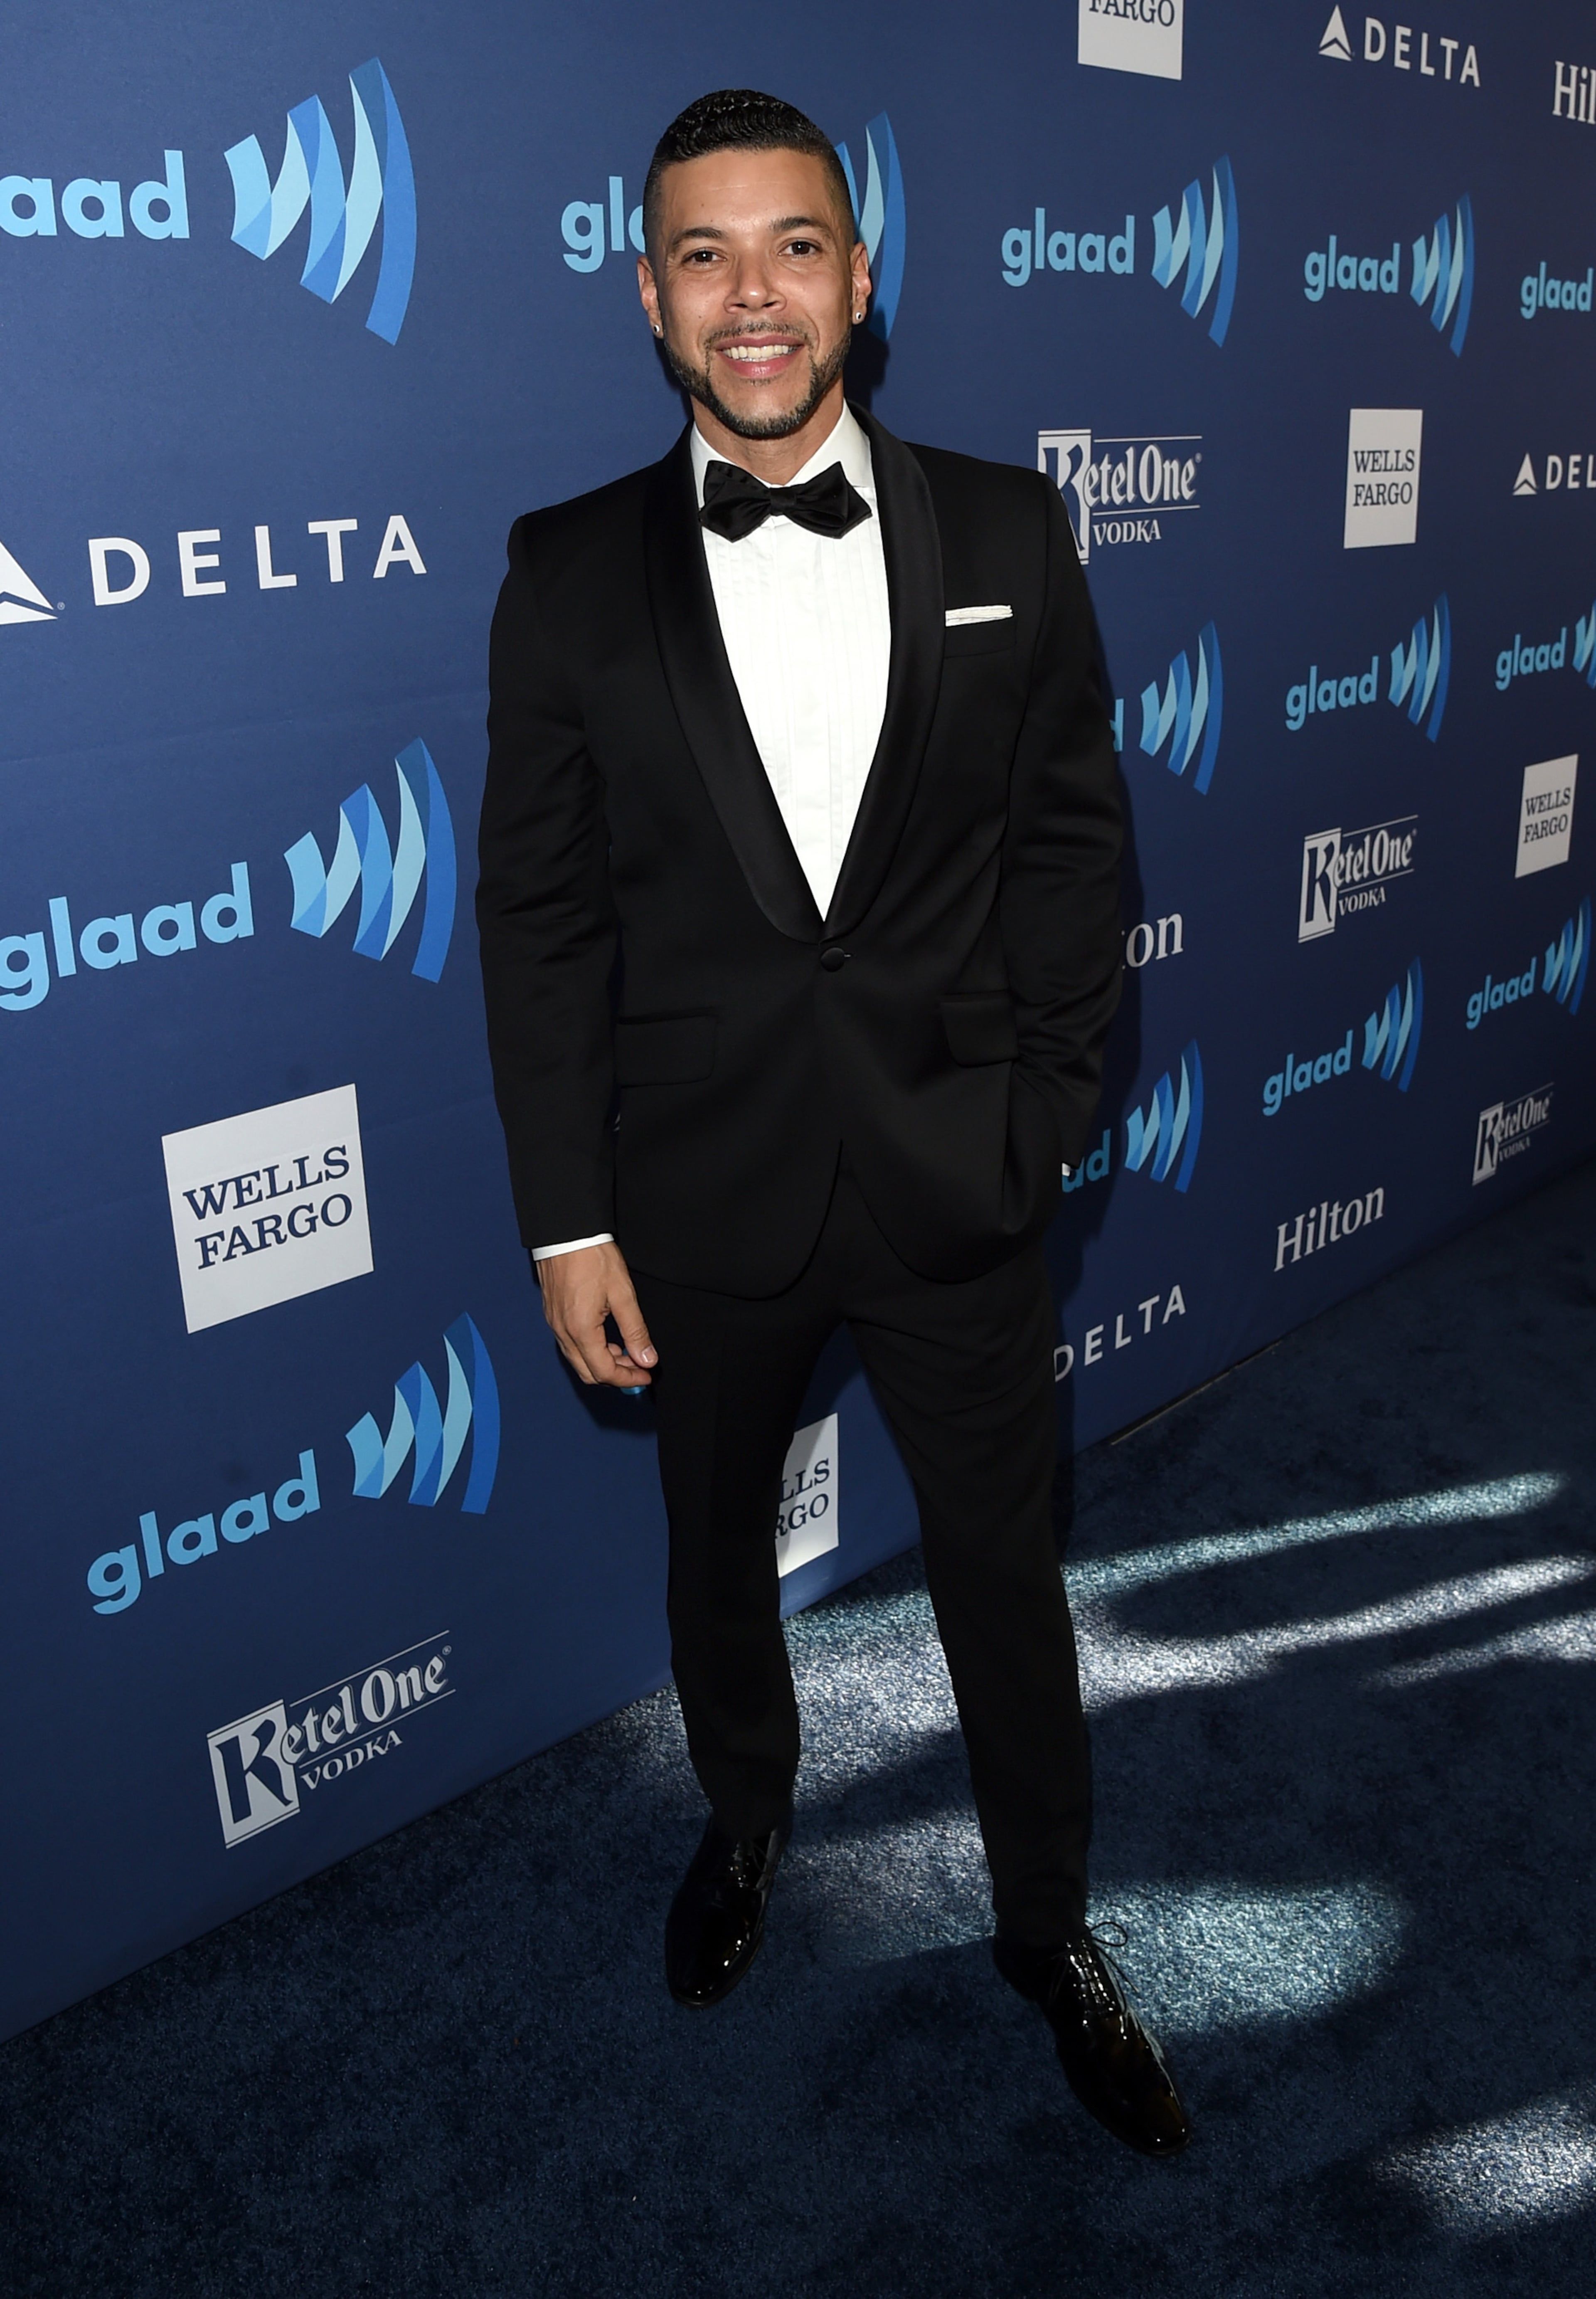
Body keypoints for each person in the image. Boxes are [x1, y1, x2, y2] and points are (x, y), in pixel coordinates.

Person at [477, 88, 1189, 2157]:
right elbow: (536, 927)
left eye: (795, 246)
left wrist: (1049, 1119)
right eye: (706, 256)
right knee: (718, 1561)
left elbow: (1075, 854)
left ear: (862, 281)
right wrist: (563, 1218)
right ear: (649, 300)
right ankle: (748, 1823)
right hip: (695, 1198)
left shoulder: (1009, 529)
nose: (754, 296)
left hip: (959, 1175)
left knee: (1005, 1578)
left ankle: (1046, 1924)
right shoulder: (566, 576)